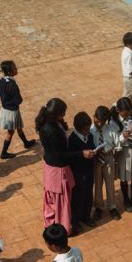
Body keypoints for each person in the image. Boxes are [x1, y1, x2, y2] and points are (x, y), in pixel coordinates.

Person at [36, 98, 95, 234]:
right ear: (55, 113)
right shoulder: (50, 130)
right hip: (57, 168)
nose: (63, 116)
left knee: (63, 199)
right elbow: (60, 154)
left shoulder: (52, 123)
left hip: (54, 166)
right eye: (62, 113)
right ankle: (65, 225)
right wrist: (81, 153)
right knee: (62, 200)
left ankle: (70, 221)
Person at [0, 60, 36, 159]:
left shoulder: (2, 80)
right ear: (10, 72)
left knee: (18, 126)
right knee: (10, 132)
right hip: (12, 111)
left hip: (6, 109)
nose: (16, 69)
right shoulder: (13, 84)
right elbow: (18, 100)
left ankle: (26, 142)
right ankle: (3, 153)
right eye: (14, 68)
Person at [90, 106, 122, 221]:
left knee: (110, 184)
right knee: (97, 184)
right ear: (94, 117)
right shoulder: (91, 130)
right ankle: (98, 207)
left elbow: (118, 145)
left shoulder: (111, 130)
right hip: (96, 159)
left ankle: (112, 207)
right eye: (98, 120)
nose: (99, 123)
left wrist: (114, 158)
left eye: (102, 122)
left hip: (108, 158)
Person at [68, 112, 97, 235]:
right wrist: (83, 154)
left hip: (89, 171)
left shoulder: (90, 136)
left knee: (88, 194)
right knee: (77, 198)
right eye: (85, 129)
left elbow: (92, 146)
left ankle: (86, 216)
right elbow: (71, 157)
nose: (88, 131)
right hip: (78, 173)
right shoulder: (72, 140)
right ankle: (76, 221)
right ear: (78, 128)